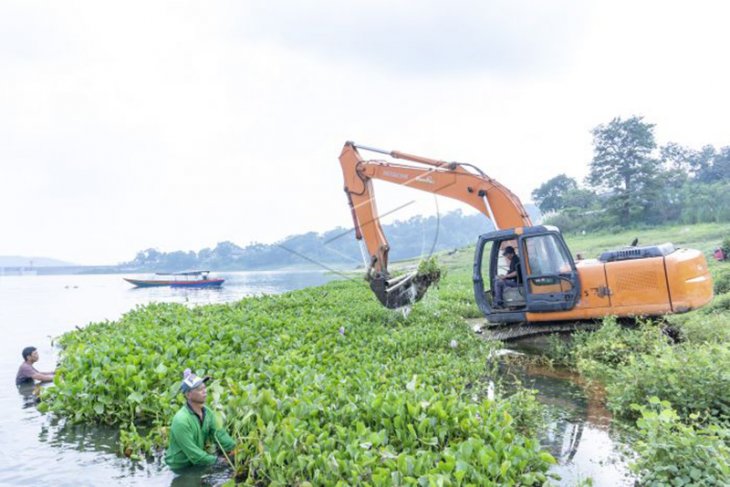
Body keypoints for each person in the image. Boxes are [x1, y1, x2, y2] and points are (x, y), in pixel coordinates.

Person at [165, 368, 236, 472]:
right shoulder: (181, 420)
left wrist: (235, 447)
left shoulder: (207, 412)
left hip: (198, 462)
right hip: (180, 468)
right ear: (188, 394)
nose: (204, 391)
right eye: (199, 389)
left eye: (204, 387)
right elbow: (194, 454)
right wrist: (218, 461)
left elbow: (219, 434)